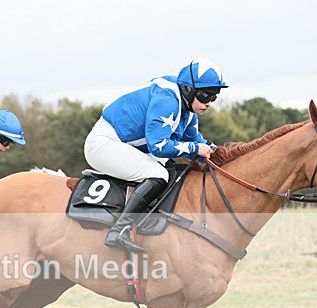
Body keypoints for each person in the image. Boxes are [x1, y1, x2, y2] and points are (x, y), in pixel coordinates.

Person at [84, 58, 229, 253]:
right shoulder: (167, 100)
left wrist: (218, 154)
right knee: (158, 175)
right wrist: (195, 149)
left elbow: (197, 141)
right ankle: (118, 231)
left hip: (128, 146)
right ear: (188, 89)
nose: (209, 103)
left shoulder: (189, 110)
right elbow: (158, 146)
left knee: (171, 170)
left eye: (214, 97)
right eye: (204, 96)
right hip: (104, 143)